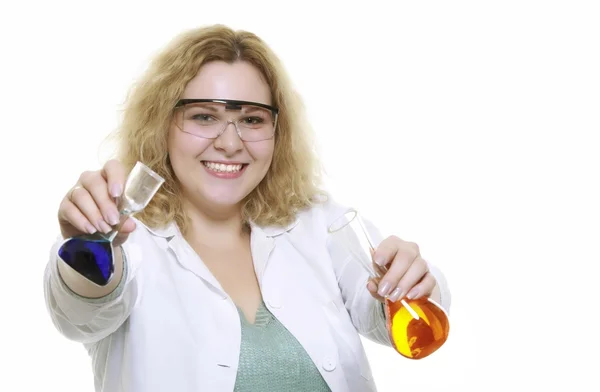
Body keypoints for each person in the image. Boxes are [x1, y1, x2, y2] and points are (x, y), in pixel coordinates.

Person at [43, 24, 451, 392]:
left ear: (277, 130)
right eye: (204, 116)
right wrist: (89, 244)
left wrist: (413, 280)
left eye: (253, 120)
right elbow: (80, 312)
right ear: (161, 125)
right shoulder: (128, 242)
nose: (230, 142)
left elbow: (392, 312)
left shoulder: (317, 222)